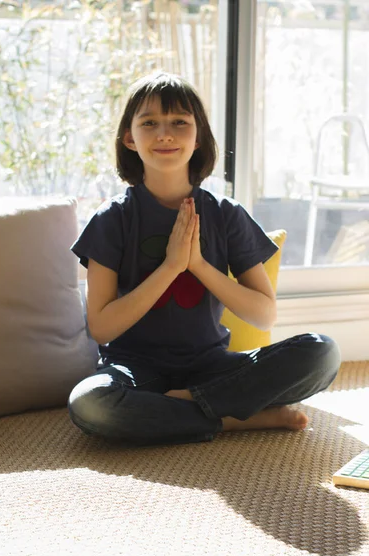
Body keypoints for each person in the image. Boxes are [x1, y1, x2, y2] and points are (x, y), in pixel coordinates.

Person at [69, 72, 341, 446]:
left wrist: (197, 264)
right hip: (135, 370)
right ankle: (231, 419)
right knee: (91, 404)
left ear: (199, 138)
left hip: (213, 367)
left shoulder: (226, 213)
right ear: (130, 138)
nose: (165, 134)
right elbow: (101, 328)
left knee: (322, 352)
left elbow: (264, 314)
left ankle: (189, 407)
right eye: (150, 123)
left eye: (179, 122)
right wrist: (169, 267)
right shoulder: (111, 218)